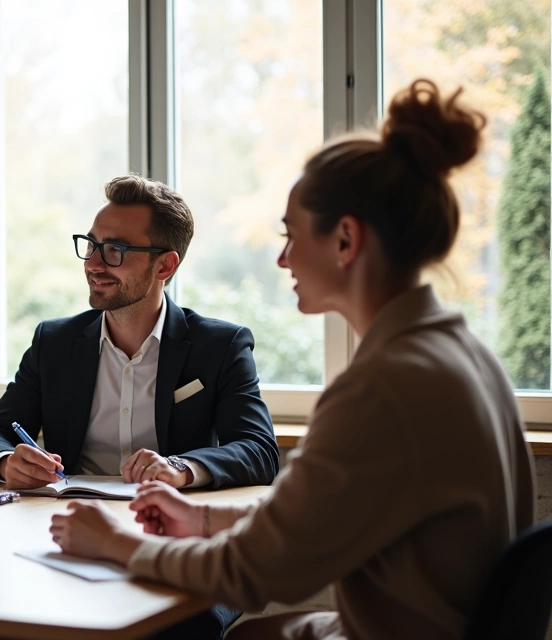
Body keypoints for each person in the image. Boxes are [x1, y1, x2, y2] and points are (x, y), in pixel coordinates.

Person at [48, 79, 537, 640]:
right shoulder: (463, 354)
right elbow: (314, 516)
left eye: (292, 235)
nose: (283, 259)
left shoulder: (383, 389)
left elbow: (251, 573)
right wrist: (203, 519)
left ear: (346, 241)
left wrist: (115, 543)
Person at [0, 174, 279, 638]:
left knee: (177, 629)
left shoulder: (220, 346)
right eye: (90, 245)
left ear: (165, 266)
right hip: (68, 537)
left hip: (171, 544)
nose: (93, 262)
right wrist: (7, 461)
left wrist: (180, 468)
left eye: (114, 250)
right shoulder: (55, 342)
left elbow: (259, 450)